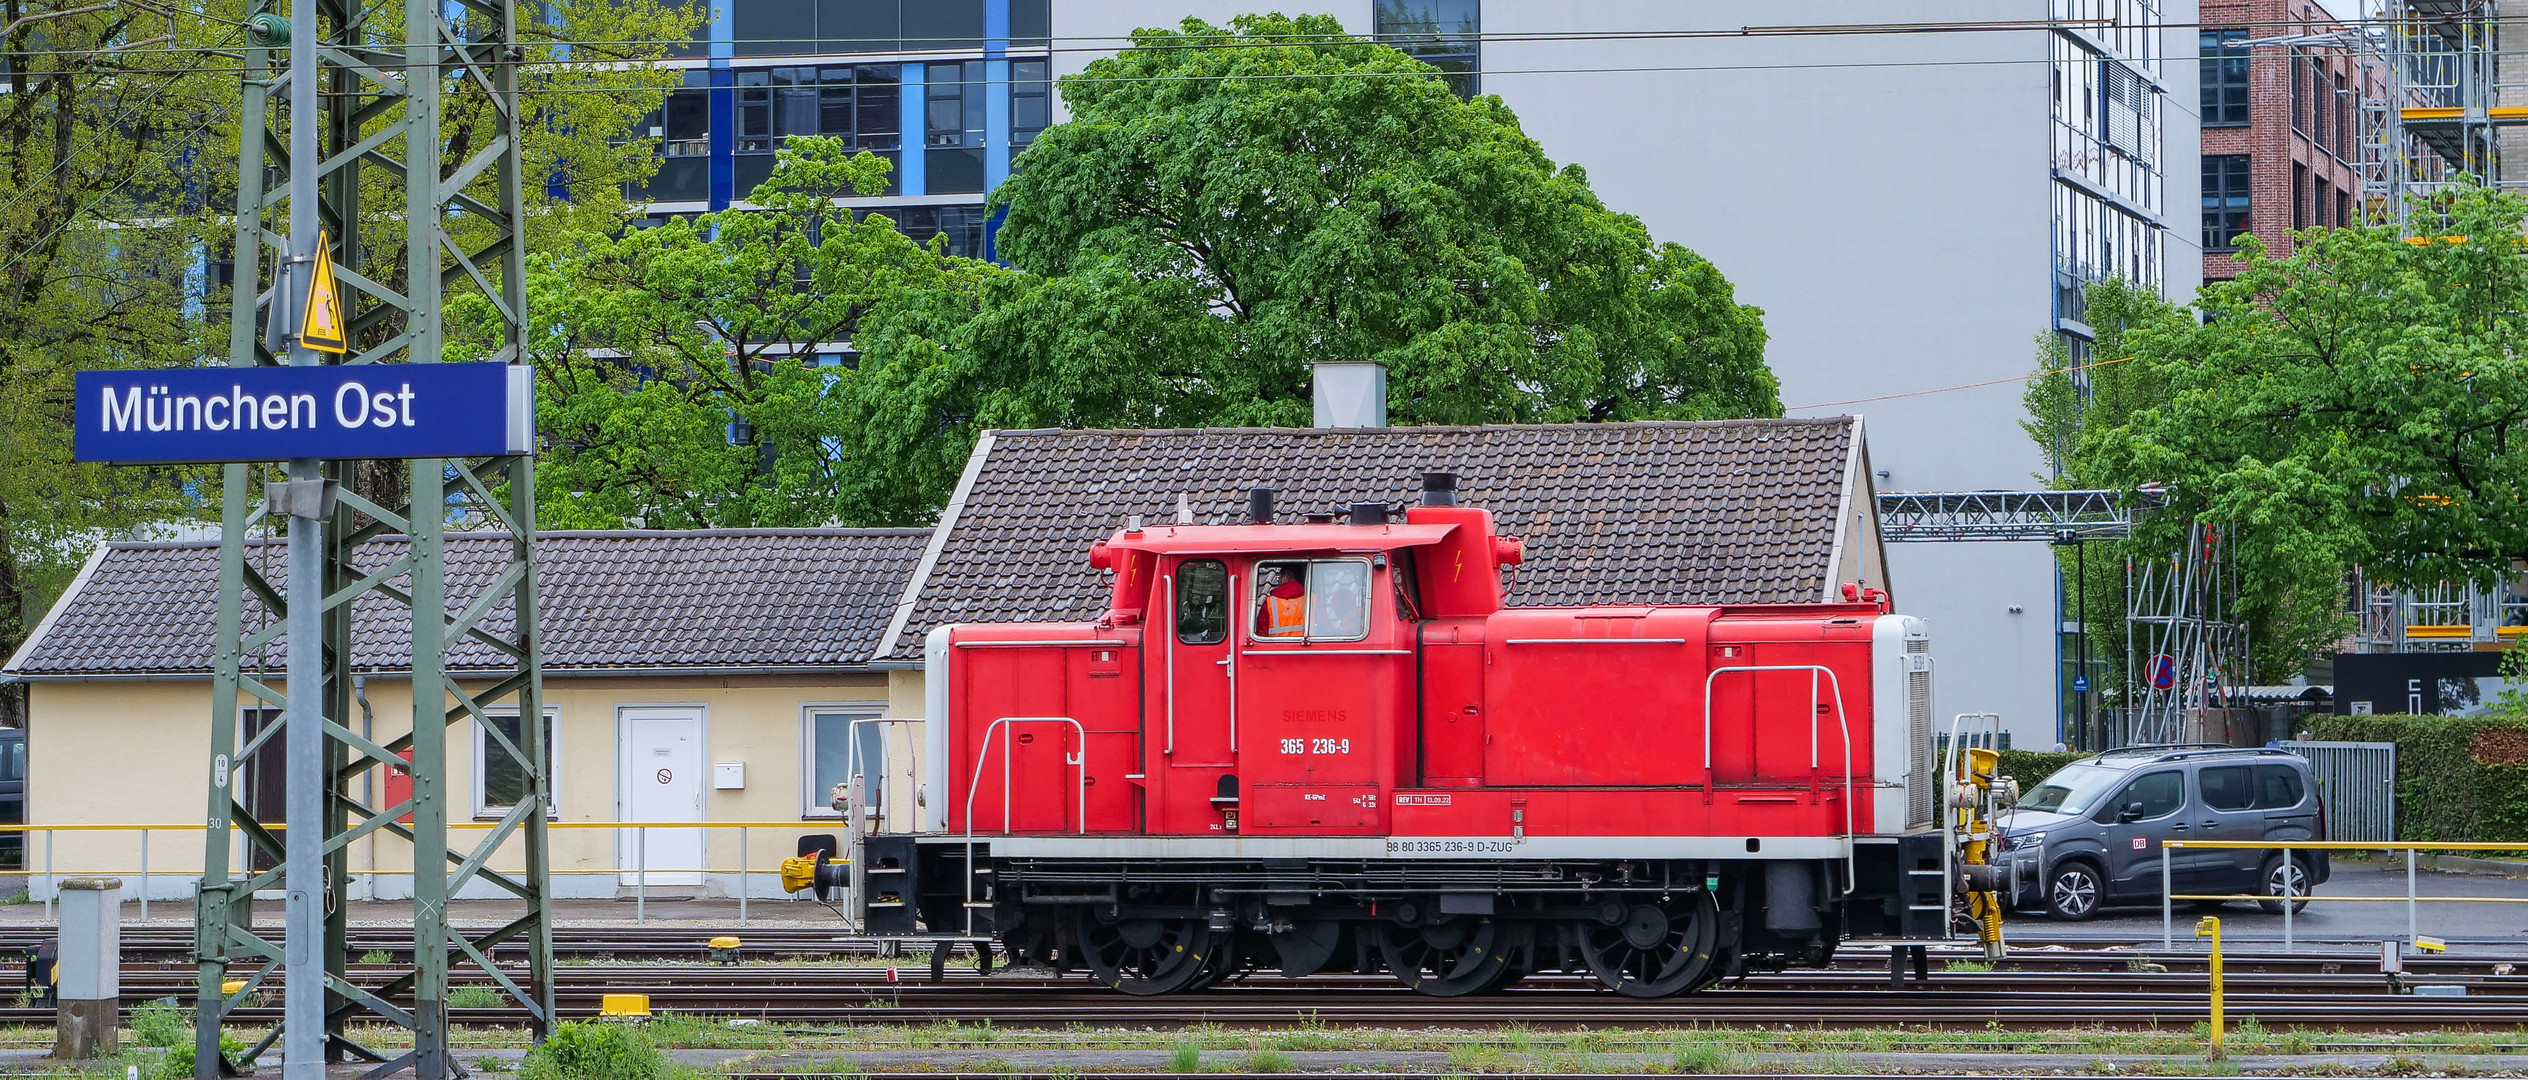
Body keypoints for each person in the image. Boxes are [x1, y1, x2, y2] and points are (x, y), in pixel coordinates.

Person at [1258, 564, 1306, 637]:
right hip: (1307, 647)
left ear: (1284, 578)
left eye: (1279, 578)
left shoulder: (1269, 603)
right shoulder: (1312, 600)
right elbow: (1324, 626)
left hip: (1276, 647)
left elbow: (1261, 633)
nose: (1278, 581)